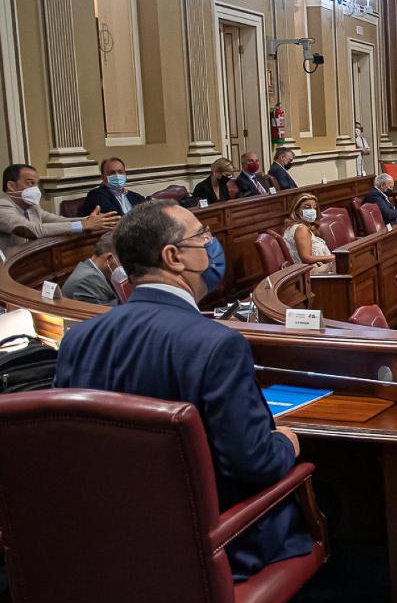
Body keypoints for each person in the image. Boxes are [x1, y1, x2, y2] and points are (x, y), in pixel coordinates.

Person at [54, 200, 310, 580]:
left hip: (112, 544)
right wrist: (285, 443)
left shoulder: (77, 339)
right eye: (202, 236)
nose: (210, 244)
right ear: (173, 257)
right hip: (214, 547)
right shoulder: (216, 344)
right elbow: (254, 463)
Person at [0, 163, 119, 254]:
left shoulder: (32, 206)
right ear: (11, 186)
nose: (36, 189)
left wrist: (89, 220)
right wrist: (82, 225)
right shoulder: (3, 206)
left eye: (37, 184)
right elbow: (33, 230)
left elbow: (57, 220)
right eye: (30, 183)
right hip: (9, 268)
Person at [62, 231, 121, 307]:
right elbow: (110, 313)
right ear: (110, 259)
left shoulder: (94, 273)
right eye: (124, 262)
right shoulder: (87, 280)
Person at [282, 193, 335, 270]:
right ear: (296, 210)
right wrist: (333, 257)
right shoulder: (301, 229)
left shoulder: (298, 227)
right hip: (311, 272)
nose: (312, 211)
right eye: (307, 207)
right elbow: (306, 258)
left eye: (314, 208)